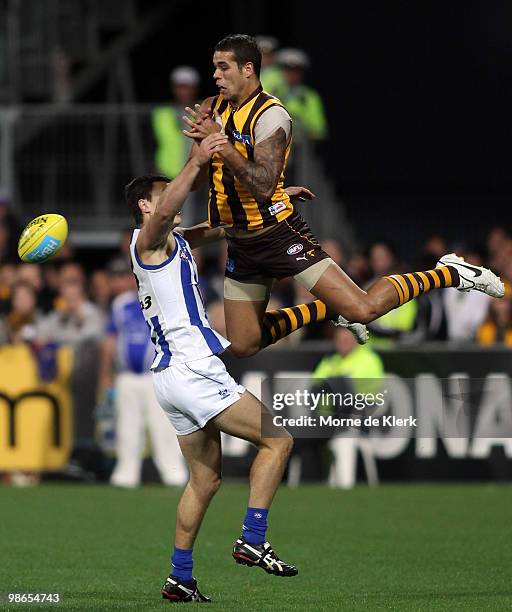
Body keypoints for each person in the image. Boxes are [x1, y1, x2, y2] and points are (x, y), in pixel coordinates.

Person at [182, 34, 505, 359]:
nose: (215, 75)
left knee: (363, 309)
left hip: (278, 235)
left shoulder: (271, 115)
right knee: (243, 344)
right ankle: (326, 309)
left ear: (248, 68)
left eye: (223, 67)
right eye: (214, 68)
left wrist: (220, 143)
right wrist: (199, 155)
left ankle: (450, 272)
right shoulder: (212, 108)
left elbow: (264, 186)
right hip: (241, 243)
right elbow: (197, 182)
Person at [125, 133, 297, 603]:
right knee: (278, 439)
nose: (173, 199)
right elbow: (167, 212)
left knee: (204, 480)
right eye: (163, 194)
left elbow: (217, 227)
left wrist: (276, 201)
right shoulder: (148, 238)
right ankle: (253, 538)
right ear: (144, 205)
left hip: (169, 377)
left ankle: (179, 577)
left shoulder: (170, 239)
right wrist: (197, 158)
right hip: (193, 368)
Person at [97, 257, 187, 488]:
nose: (122, 281)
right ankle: (126, 472)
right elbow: (111, 339)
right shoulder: (120, 305)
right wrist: (106, 374)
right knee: (127, 425)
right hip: (126, 375)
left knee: (162, 425)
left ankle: (172, 470)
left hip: (155, 373)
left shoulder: (157, 299)